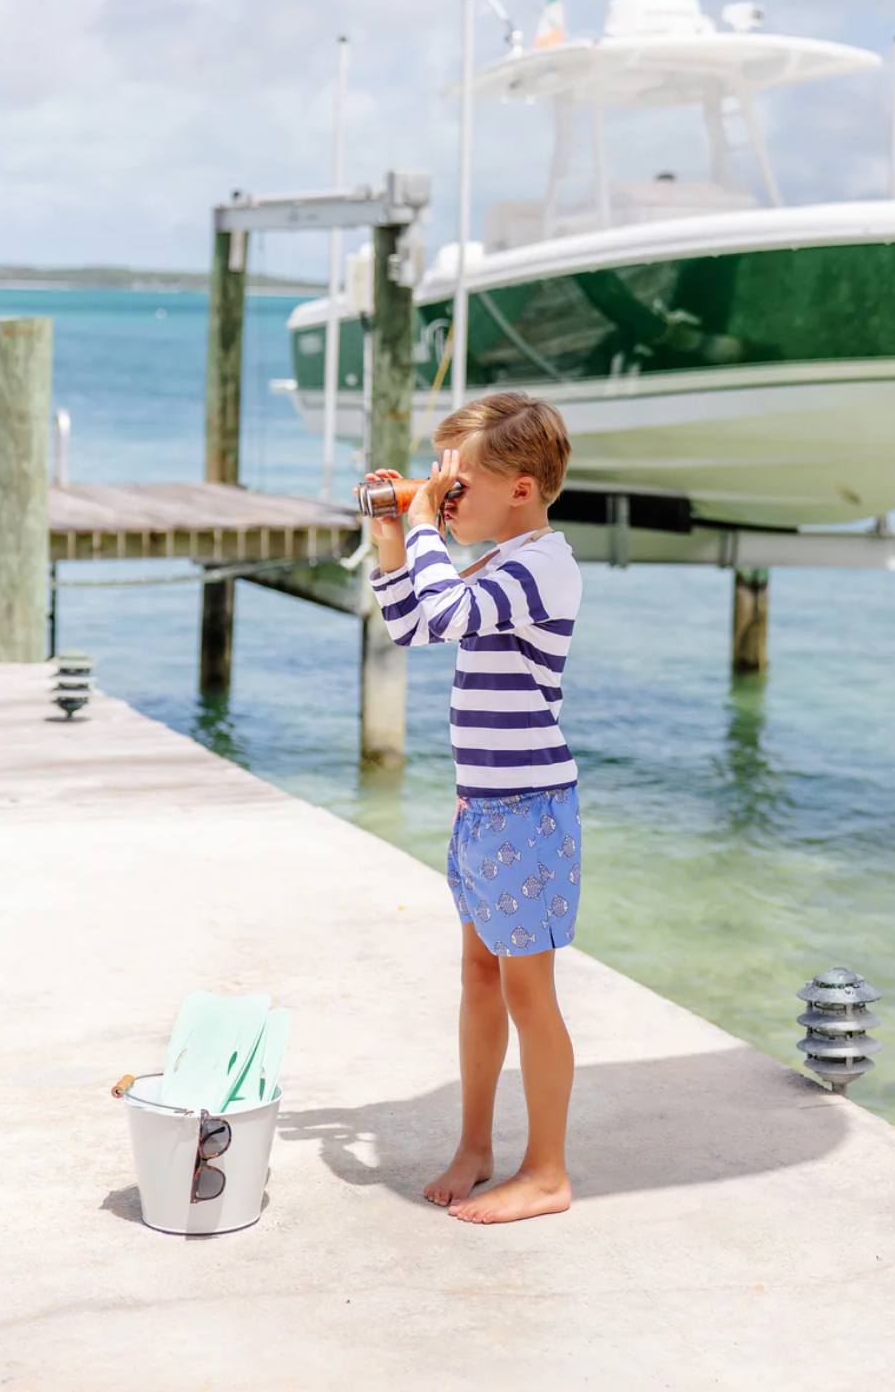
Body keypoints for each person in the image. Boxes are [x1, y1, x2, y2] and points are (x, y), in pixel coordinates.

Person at [364, 392, 582, 1225]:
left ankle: (549, 1169)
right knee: (480, 975)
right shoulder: (497, 561)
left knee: (531, 993)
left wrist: (422, 520)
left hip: (528, 807)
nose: (447, 501)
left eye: (460, 487)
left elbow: (446, 612)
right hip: (484, 806)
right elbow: (413, 626)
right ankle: (477, 1142)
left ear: (521, 489)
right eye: (442, 487)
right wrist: (396, 535)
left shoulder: (543, 566)